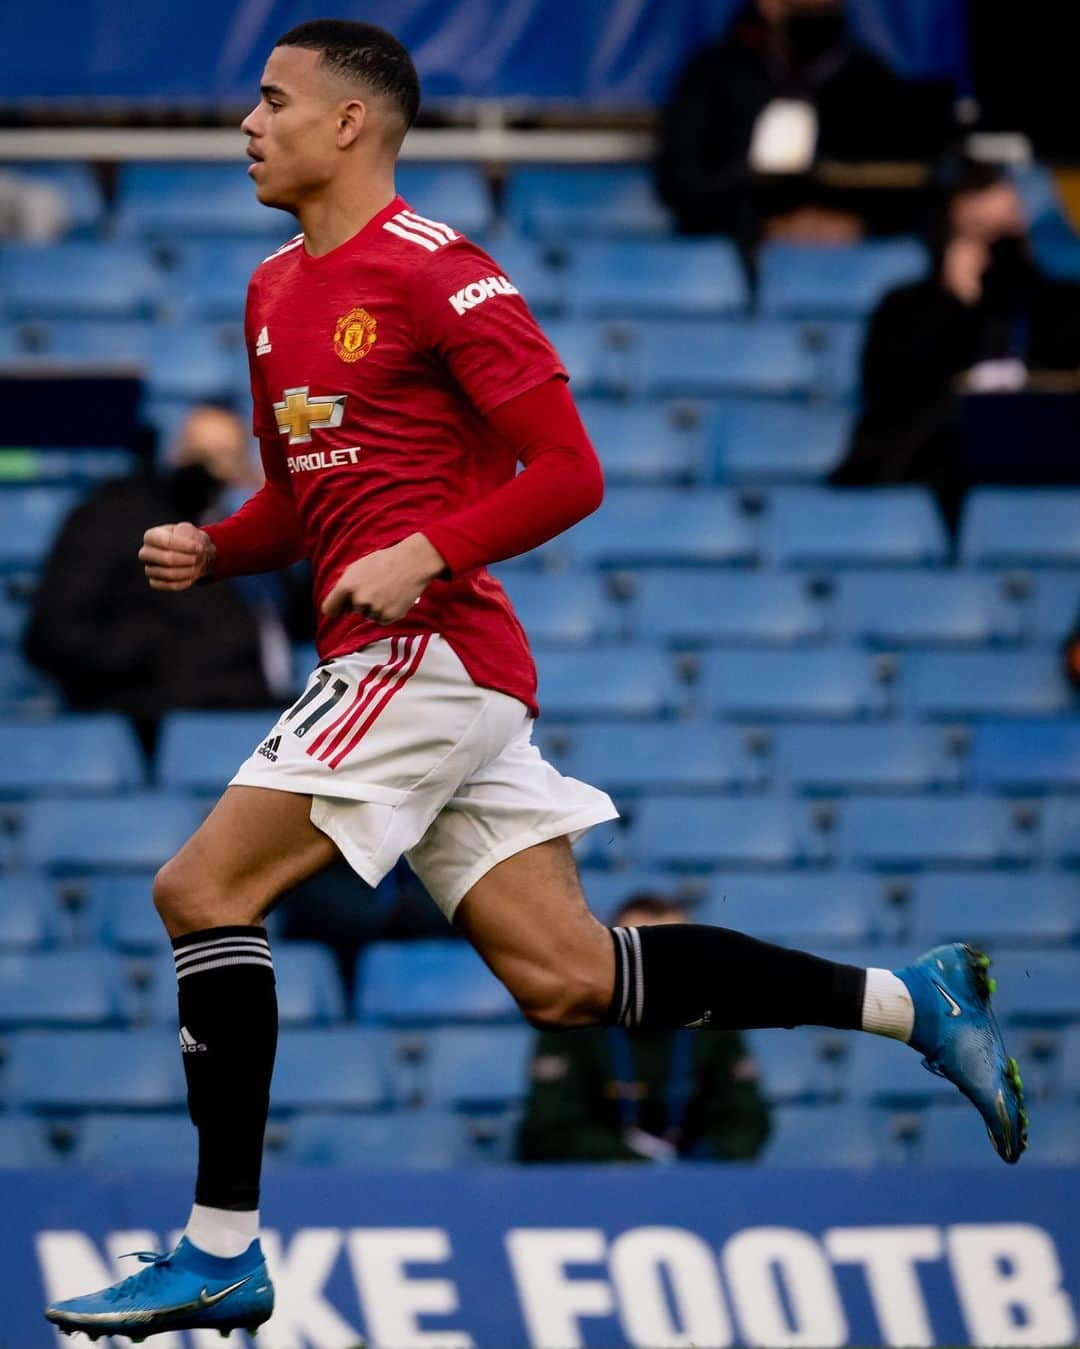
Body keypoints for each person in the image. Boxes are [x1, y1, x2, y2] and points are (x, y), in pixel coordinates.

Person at [46, 21, 1026, 1342]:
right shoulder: (274, 288)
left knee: (200, 887)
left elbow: (570, 468)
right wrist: (217, 548)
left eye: (273, 101)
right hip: (411, 659)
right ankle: (911, 1000)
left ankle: (220, 1247)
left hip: (433, 651)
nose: (247, 124)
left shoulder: (445, 276)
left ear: (352, 124)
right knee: (569, 978)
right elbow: (308, 496)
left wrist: (429, 550)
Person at [24, 405, 292, 755]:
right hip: (154, 727)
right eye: (201, 456)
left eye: (230, 458)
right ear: (174, 450)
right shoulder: (112, 519)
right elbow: (51, 636)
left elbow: (298, 616)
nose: (215, 472)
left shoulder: (248, 531)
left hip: (259, 720)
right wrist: (153, 657)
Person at [830, 162, 1080, 531]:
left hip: (1040, 475)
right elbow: (892, 396)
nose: (1000, 248)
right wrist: (956, 305)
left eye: (1009, 231)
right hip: (928, 476)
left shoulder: (1059, 306)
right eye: (980, 231)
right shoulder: (905, 307)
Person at [655, 0, 954, 246]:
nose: (817, 8)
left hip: (851, 257)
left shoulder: (869, 80)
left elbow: (906, 184)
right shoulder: (714, 78)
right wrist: (762, 222)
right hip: (734, 247)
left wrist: (854, 223)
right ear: (769, 5)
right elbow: (681, 183)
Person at [519, 892, 770, 1162]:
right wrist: (638, 1166)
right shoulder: (572, 1019)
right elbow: (549, 1129)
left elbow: (748, 1119)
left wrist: (701, 1166)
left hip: (695, 1187)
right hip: (595, 1187)